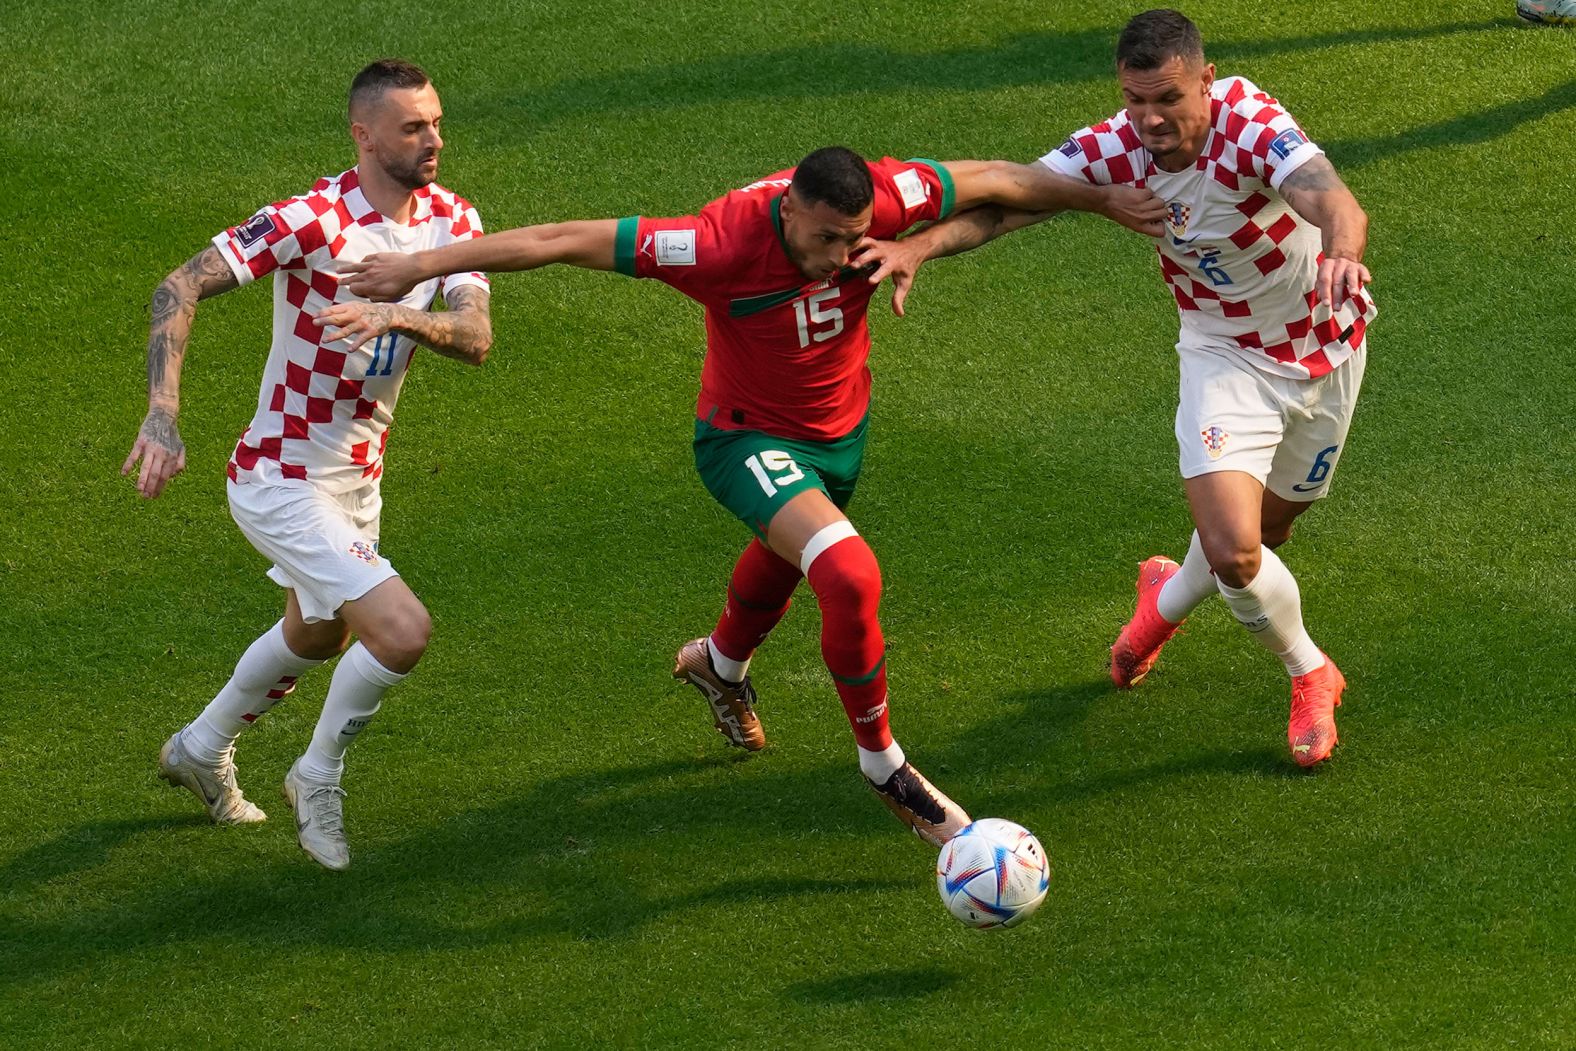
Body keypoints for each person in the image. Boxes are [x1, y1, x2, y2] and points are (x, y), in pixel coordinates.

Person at [343, 148, 1165, 843]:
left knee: (793, 558)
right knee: (848, 571)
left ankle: (719, 663)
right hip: (745, 439)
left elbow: (993, 178)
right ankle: (883, 764)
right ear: (789, 212)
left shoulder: (885, 196)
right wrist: (417, 266)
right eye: (830, 240)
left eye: (859, 238)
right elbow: (561, 239)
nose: (846, 256)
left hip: (840, 432)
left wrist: (1097, 201)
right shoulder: (713, 245)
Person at [855, 9, 1375, 767]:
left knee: (1269, 536)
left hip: (1326, 347)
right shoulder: (1114, 147)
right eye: (1135, 100)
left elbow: (1334, 200)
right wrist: (920, 246)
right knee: (1236, 551)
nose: (1150, 119)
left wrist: (1342, 253)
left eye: (1167, 99)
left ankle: (1160, 606)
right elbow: (1009, 201)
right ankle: (1311, 671)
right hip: (1222, 353)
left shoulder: (1252, 122)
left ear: (1206, 78)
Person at [124, 59, 493, 869]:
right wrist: (163, 415)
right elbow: (178, 285)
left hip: (359, 479)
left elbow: (475, 338)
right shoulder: (311, 219)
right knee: (402, 631)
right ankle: (315, 773)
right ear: (362, 135)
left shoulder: (452, 220)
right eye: (412, 127)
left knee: (319, 630)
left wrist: (399, 308)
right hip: (281, 474)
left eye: (435, 121)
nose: (433, 138)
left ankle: (198, 746)